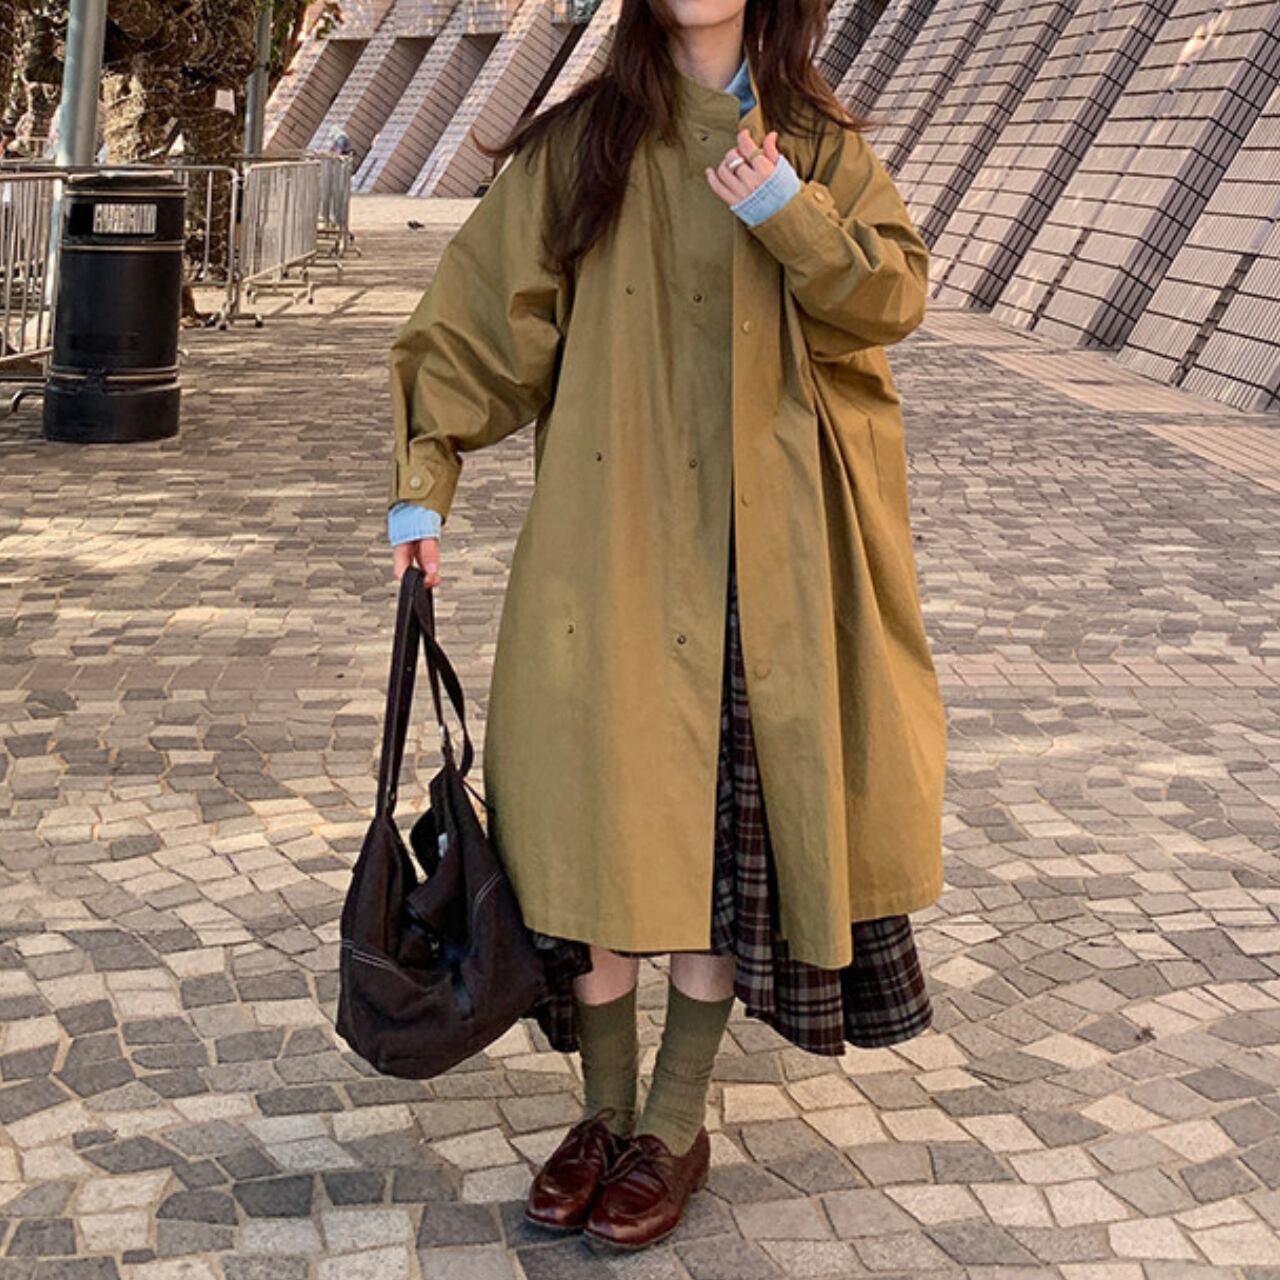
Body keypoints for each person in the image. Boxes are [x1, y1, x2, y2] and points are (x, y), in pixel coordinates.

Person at [387, 0, 947, 1253]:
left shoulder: (817, 143)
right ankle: (601, 1111)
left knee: (713, 849)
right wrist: (425, 478)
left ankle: (673, 1116)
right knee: (590, 816)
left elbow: (890, 298)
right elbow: (478, 318)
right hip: (612, 543)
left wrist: (787, 211)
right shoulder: (580, 145)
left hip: (768, 551)